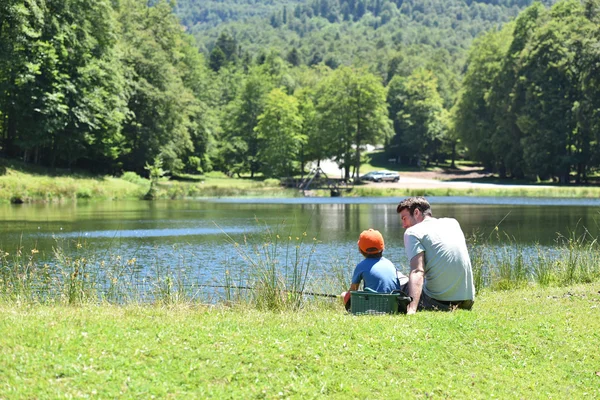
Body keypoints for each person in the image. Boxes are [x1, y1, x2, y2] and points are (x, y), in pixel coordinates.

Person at [396, 197, 475, 314]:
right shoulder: (452, 223)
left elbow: (417, 271)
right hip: (467, 301)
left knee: (396, 281)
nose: (403, 225)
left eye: (404, 218)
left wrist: (412, 309)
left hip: (438, 303)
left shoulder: (413, 232)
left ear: (416, 212)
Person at [342, 228, 405, 310]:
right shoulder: (390, 264)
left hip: (373, 307)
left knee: (344, 295)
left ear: (360, 250)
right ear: (383, 248)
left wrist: (344, 297)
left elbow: (353, 291)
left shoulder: (361, 266)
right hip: (393, 306)